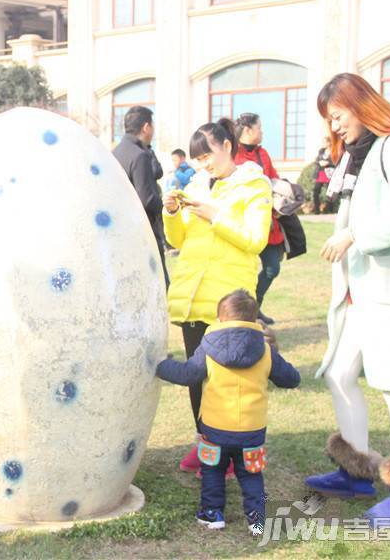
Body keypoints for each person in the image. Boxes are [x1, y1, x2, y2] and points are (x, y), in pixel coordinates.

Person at [305, 73, 390, 528]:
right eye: (331, 120)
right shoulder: (361, 154)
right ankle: (357, 470)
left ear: (359, 104)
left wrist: (354, 236)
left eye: (338, 116)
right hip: (362, 292)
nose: (336, 127)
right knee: (340, 373)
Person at [162, 117, 273, 476]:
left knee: (227, 380)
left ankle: (231, 451)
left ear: (227, 145)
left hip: (228, 299)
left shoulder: (254, 184)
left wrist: (214, 215)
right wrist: (172, 213)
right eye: (197, 158)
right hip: (194, 296)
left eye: (206, 155)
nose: (203, 164)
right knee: (197, 376)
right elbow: (179, 241)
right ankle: (206, 443)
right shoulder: (196, 185)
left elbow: (255, 239)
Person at [156, 290, 299, 535]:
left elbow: (188, 374)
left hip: (215, 427)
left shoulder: (209, 348)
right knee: (251, 475)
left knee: (213, 470)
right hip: (252, 431)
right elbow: (291, 379)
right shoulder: (265, 351)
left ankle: (212, 514)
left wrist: (161, 365)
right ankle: (257, 521)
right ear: (254, 320)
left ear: (220, 318)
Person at [234, 113, 281, 325]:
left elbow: (274, 179)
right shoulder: (233, 155)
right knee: (243, 274)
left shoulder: (264, 154)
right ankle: (244, 314)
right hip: (242, 226)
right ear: (248, 130)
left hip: (268, 224)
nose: (262, 132)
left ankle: (255, 306)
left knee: (272, 267)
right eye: (259, 127)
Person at [112, 106, 168, 286]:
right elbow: (147, 199)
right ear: (146, 127)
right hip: (144, 233)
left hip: (122, 231)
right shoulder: (139, 155)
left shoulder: (116, 152)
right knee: (159, 284)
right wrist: (167, 206)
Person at [313, 139, 335, 214]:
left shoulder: (334, 150)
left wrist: (328, 163)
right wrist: (319, 162)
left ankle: (329, 210)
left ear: (329, 143)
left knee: (329, 192)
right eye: (323, 142)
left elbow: (337, 161)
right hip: (321, 173)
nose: (324, 143)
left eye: (325, 142)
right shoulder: (321, 151)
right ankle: (317, 210)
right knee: (316, 191)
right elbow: (316, 161)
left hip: (330, 174)